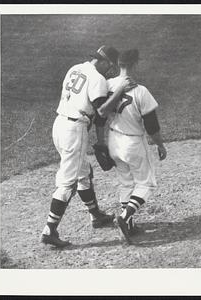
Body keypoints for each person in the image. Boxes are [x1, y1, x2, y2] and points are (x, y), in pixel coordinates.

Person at [40, 45, 135, 248]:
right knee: (67, 183)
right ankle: (49, 229)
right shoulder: (97, 79)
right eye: (109, 65)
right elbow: (101, 110)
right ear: (102, 61)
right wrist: (119, 90)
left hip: (59, 125)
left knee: (83, 172)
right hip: (74, 130)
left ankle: (96, 215)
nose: (109, 70)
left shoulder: (75, 68)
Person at [106, 49, 167, 244]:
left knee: (126, 182)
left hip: (113, 141)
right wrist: (160, 145)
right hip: (133, 143)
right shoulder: (140, 90)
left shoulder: (107, 85)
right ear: (136, 64)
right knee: (146, 183)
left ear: (118, 64)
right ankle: (124, 218)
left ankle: (130, 226)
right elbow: (152, 126)